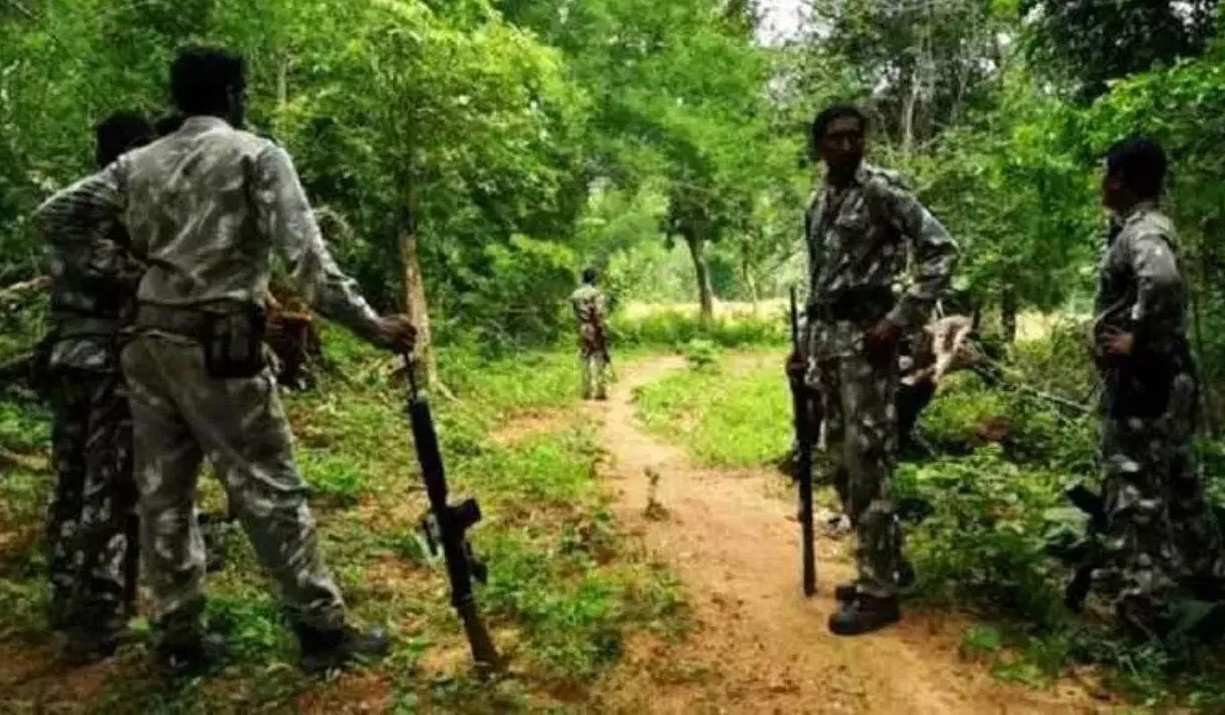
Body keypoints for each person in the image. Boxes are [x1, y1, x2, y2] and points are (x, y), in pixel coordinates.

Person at [36, 47, 417, 674]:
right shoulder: (255, 155)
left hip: (148, 344)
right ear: (234, 94)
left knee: (164, 494)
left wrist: (131, 272)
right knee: (268, 485)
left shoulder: (136, 163)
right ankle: (321, 630)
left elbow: (55, 216)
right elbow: (309, 265)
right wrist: (372, 325)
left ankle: (178, 638)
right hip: (221, 346)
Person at [787, 104, 958, 635]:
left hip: (869, 347)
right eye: (835, 137)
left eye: (855, 136)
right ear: (819, 146)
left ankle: (879, 594)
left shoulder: (883, 190)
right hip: (829, 346)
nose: (847, 145)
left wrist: (899, 320)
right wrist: (803, 350)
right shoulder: (818, 203)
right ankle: (887, 564)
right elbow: (820, 285)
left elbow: (941, 251)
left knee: (869, 463)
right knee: (840, 463)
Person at [1087, 137, 1224, 637]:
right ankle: (1207, 579)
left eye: (1107, 173)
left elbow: (1161, 280)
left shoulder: (1143, 231)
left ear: (1120, 180)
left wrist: (1138, 340)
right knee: (1180, 482)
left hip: (1146, 385)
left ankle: (1143, 613)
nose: (1102, 182)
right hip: (1165, 381)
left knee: (1136, 493)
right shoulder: (1143, 226)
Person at [40, 111, 154, 662]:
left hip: (67, 356)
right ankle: (97, 611)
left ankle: (66, 591)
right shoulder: (102, 215)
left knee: (71, 476)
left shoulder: (87, 214)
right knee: (106, 483)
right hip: (104, 359)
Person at [570, 268, 610, 400]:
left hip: (582, 327)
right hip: (595, 327)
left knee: (585, 357)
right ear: (594, 279)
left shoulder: (575, 294)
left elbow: (574, 313)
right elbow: (599, 312)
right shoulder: (597, 294)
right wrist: (603, 329)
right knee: (599, 357)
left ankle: (586, 390)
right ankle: (600, 390)